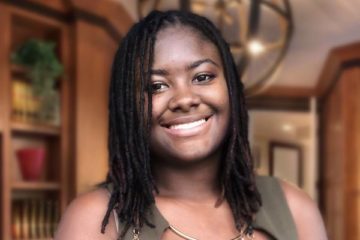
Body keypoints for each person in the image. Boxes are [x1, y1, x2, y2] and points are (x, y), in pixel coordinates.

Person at [55, 10, 327, 240]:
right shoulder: (94, 219)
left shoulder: (294, 206)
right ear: (129, 105)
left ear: (230, 87)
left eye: (202, 77)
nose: (184, 99)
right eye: (156, 86)